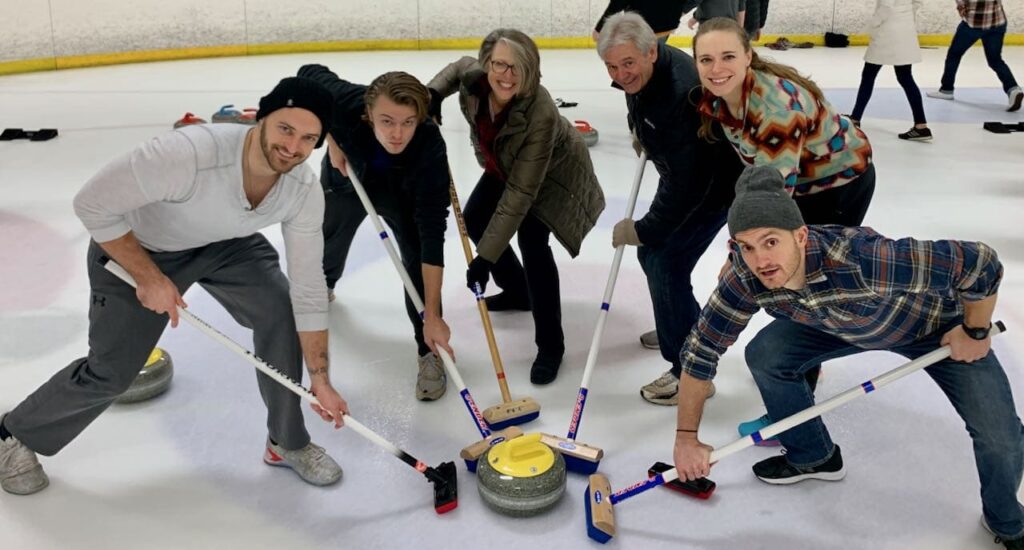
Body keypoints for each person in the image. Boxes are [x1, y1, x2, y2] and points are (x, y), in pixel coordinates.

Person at [0, 77, 347, 496]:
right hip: (141, 248)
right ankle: (13, 435)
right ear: (262, 118)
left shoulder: (302, 188)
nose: (293, 148)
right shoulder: (189, 155)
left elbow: (309, 288)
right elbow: (91, 204)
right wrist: (149, 278)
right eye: (285, 130)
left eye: (308, 138)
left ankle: (287, 442)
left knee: (280, 309)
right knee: (111, 373)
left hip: (226, 244)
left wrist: (321, 379)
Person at [671, 165, 1024, 549]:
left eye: (771, 242)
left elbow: (980, 263)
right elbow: (701, 350)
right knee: (767, 354)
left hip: (932, 328)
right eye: (747, 246)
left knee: (1000, 435)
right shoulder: (745, 277)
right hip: (834, 324)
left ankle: (1006, 521)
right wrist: (686, 437)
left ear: (801, 235)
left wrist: (974, 330)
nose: (761, 260)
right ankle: (813, 455)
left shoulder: (865, 260)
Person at [692, 16, 877, 438]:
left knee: (803, 281)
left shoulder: (774, 110)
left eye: (727, 57)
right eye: (706, 59)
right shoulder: (720, 92)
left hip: (838, 186)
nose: (716, 68)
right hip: (802, 183)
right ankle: (802, 367)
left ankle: (794, 404)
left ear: (748, 56)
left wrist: (738, 255)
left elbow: (771, 202)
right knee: (790, 278)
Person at [427, 28, 605, 385]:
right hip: (506, 163)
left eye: (516, 68)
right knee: (475, 219)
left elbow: (521, 194)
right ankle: (517, 290)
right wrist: (430, 94)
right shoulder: (475, 78)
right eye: (500, 65)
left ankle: (551, 345)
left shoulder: (539, 113)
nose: (506, 76)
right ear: (488, 63)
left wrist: (485, 259)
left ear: (530, 71)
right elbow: (455, 69)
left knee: (533, 245)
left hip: (553, 176)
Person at [596, 12, 744, 405]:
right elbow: (636, 96)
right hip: (692, 172)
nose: (621, 74)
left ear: (651, 52)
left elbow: (685, 185)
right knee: (661, 263)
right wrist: (642, 131)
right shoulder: (643, 68)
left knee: (661, 259)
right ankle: (676, 325)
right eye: (611, 66)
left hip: (714, 187)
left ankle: (690, 369)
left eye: (628, 64)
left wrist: (642, 229)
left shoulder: (678, 92)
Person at [297, 64, 454, 402]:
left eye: (407, 122)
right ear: (368, 113)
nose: (397, 133)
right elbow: (308, 73)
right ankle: (324, 285)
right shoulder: (346, 101)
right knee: (330, 236)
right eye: (387, 121)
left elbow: (432, 236)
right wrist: (332, 137)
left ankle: (428, 348)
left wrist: (434, 315)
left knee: (414, 260)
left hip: (402, 193)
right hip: (349, 179)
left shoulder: (430, 148)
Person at [851, 0, 932, 141]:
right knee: (906, 77)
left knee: (869, 75)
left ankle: (855, 118)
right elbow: (917, 3)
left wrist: (871, 26)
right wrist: (906, 18)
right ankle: (921, 126)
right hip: (905, 30)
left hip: (887, 32)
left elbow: (886, 6)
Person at [926, 0, 1023, 112]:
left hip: (973, 25)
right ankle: (1013, 89)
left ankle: (946, 90)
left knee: (954, 55)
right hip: (997, 23)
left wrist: (961, 7)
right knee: (995, 60)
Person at [593, 1, 688, 43]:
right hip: (667, 24)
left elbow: (618, 3)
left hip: (642, 24)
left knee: (642, 62)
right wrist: (676, 12)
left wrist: (600, 27)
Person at [681, 0, 745, 31]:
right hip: (730, 26)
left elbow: (693, 2)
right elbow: (741, 7)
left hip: (709, 26)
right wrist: (740, 30)